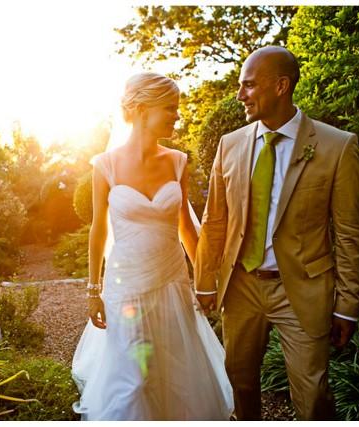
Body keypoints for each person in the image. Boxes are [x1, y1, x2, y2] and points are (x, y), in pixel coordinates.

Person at [194, 46, 359, 420]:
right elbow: (215, 220)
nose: (240, 95)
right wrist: (206, 279)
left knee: (312, 393)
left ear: (281, 86)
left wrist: (348, 306)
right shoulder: (230, 145)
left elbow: (351, 233)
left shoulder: (337, 146)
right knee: (239, 382)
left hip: (302, 291)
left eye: (249, 86)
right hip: (241, 287)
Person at [71, 72, 233, 420]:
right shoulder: (106, 166)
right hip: (125, 286)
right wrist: (92, 289)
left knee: (176, 371)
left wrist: (205, 282)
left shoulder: (177, 162)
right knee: (133, 379)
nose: (177, 115)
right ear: (143, 109)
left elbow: (187, 229)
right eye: (170, 108)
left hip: (172, 282)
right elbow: (98, 231)